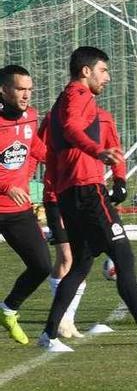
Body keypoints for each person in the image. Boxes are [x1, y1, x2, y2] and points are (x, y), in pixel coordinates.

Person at [38, 46, 137, 352]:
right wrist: (95, 151)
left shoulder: (69, 100)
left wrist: (115, 174)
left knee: (80, 264)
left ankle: (48, 335)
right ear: (86, 71)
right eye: (103, 70)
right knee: (124, 258)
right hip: (87, 190)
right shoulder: (78, 95)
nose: (108, 77)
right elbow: (72, 128)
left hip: (69, 193)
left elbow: (59, 140)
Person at [40, 106, 127, 339]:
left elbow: (115, 150)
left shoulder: (105, 118)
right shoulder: (54, 118)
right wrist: (55, 166)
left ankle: (66, 319)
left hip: (87, 195)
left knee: (81, 259)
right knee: (66, 256)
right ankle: (62, 322)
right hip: (56, 195)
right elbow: (38, 149)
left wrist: (120, 179)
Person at [0, 65, 51, 345]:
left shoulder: (31, 116)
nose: (26, 95)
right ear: (4, 90)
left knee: (41, 265)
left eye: (29, 89)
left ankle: (8, 310)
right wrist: (7, 186)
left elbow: (35, 148)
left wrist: (59, 161)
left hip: (16, 211)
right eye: (20, 89)